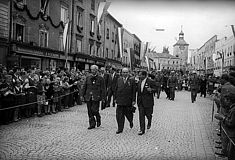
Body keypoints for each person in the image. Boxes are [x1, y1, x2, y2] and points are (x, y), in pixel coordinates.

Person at [81, 65, 106, 129]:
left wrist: (103, 98)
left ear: (97, 70)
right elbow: (84, 87)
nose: (92, 71)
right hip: (88, 96)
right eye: (91, 70)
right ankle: (92, 124)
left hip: (96, 96)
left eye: (94, 70)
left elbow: (103, 89)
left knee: (94, 110)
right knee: (89, 111)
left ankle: (98, 117)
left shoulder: (101, 78)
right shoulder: (88, 77)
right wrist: (82, 95)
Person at [114, 68, 136, 134]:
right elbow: (115, 90)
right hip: (120, 100)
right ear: (121, 73)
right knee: (119, 115)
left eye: (126, 72)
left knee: (129, 114)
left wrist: (133, 100)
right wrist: (115, 98)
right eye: (123, 72)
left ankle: (130, 121)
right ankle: (120, 128)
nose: (125, 74)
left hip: (128, 101)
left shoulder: (131, 80)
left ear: (128, 73)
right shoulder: (118, 80)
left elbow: (134, 91)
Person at [137, 70, 156, 135]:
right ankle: (142, 129)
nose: (139, 76)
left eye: (140, 75)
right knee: (141, 116)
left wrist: (151, 90)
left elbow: (155, 89)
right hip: (140, 102)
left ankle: (149, 121)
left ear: (144, 75)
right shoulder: (139, 82)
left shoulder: (151, 81)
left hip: (148, 102)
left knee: (148, 114)